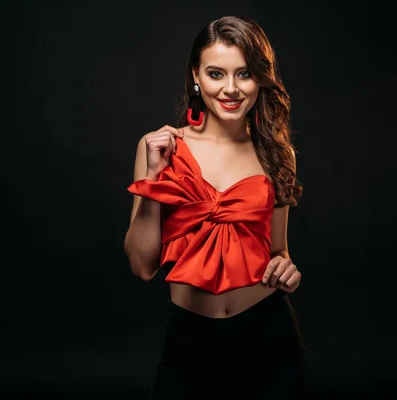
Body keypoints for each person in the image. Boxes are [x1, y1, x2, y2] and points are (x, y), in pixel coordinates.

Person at [124, 16, 306, 399]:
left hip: (268, 338)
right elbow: (142, 267)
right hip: (191, 341)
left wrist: (287, 269)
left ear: (260, 78)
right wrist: (154, 178)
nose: (231, 89)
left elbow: (278, 252)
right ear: (196, 76)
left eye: (244, 74)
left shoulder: (276, 154)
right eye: (216, 73)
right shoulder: (159, 148)